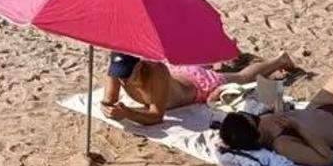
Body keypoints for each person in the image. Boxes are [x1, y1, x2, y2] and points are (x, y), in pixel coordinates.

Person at [101, 52, 298, 125]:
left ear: (139, 65)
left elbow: (156, 116)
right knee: (230, 73)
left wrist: (128, 113)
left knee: (241, 78)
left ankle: (280, 60)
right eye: (120, 74)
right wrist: (107, 108)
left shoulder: (155, 72)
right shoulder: (116, 72)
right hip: (178, 74)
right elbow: (108, 101)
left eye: (127, 74)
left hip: (197, 85)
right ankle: (223, 57)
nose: (123, 80)